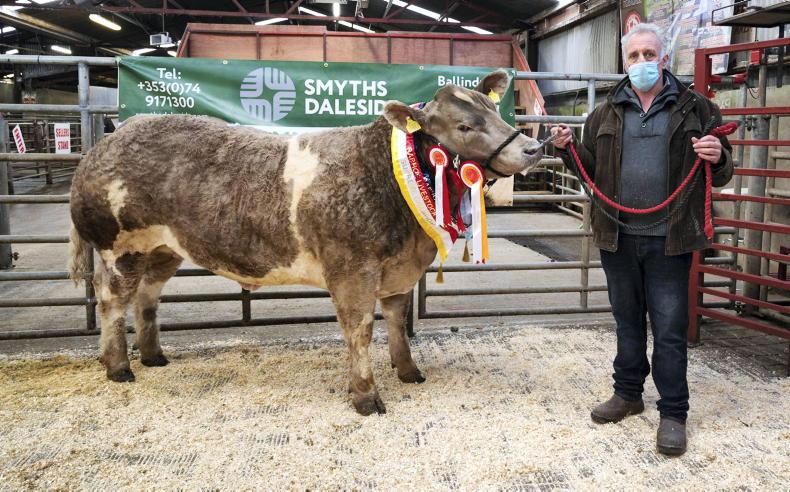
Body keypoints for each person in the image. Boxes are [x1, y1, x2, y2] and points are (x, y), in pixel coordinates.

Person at [552, 23, 733, 456]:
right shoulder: (604, 114)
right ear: (625, 62)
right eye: (634, 56)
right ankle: (628, 394)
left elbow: (724, 173)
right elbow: (590, 173)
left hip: (671, 238)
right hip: (618, 236)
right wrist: (566, 148)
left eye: (649, 54)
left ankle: (673, 412)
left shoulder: (698, 109)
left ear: (663, 59)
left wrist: (718, 156)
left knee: (669, 327)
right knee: (627, 321)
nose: (642, 62)